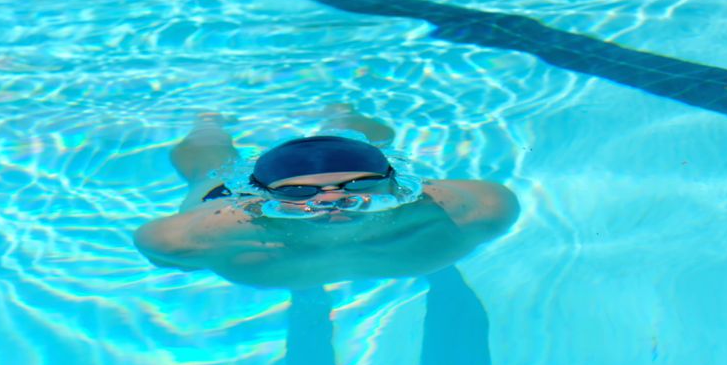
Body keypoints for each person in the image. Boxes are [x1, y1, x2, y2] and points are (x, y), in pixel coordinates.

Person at [134, 105, 520, 289]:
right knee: (209, 164)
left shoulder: (469, 211)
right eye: (300, 192)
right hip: (222, 193)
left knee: (358, 141)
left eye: (360, 185)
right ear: (255, 198)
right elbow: (162, 251)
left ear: (393, 183)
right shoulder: (208, 233)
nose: (331, 201)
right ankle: (208, 123)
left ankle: (342, 116)